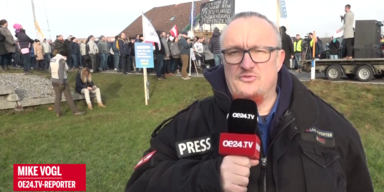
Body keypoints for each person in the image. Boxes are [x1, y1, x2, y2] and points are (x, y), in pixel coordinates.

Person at [124, 11, 373, 192]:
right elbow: (138, 185)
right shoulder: (188, 126)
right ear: (223, 59)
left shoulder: (335, 130)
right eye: (234, 52)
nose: (246, 63)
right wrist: (209, 176)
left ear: (279, 59)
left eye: (259, 51)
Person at [49, 50, 85, 117]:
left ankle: (58, 112)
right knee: (68, 97)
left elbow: (50, 70)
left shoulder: (52, 59)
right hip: (62, 81)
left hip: (54, 80)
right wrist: (62, 82)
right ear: (64, 55)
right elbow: (61, 71)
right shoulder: (61, 60)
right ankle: (75, 111)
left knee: (58, 97)